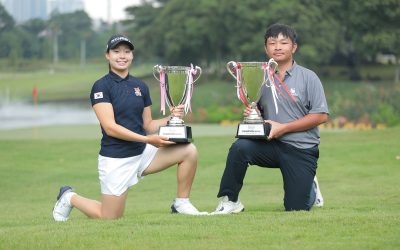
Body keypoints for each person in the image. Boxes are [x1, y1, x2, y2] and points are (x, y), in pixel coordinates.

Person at [52, 34, 207, 221]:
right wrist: (148, 140)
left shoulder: (140, 86)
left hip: (142, 154)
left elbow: (148, 125)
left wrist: (171, 117)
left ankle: (181, 203)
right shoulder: (101, 86)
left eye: (126, 51)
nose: (122, 55)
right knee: (109, 216)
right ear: (107, 55)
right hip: (116, 158)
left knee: (188, 151)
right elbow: (110, 128)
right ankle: (69, 197)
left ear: (132, 56)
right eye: (116, 51)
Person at [212, 23, 329, 213]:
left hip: (301, 148)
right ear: (266, 48)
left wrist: (283, 127)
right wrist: (254, 114)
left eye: (284, 42)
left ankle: (311, 187)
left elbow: (320, 115)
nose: (277, 47)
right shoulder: (260, 77)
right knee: (240, 147)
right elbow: (258, 108)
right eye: (272, 43)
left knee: (296, 208)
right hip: (270, 145)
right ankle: (230, 200)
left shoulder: (309, 77)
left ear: (294, 47)